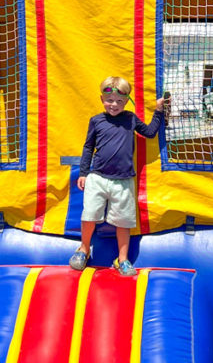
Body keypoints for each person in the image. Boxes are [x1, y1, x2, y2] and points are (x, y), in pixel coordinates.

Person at [69, 76, 165, 277]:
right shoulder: (96, 120)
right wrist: (84, 172)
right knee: (89, 216)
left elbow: (149, 133)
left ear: (127, 101)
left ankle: (122, 259)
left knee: (123, 221)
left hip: (123, 180)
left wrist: (158, 112)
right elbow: (88, 147)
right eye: (110, 100)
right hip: (98, 178)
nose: (114, 105)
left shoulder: (130, 119)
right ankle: (84, 249)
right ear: (102, 99)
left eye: (120, 101)